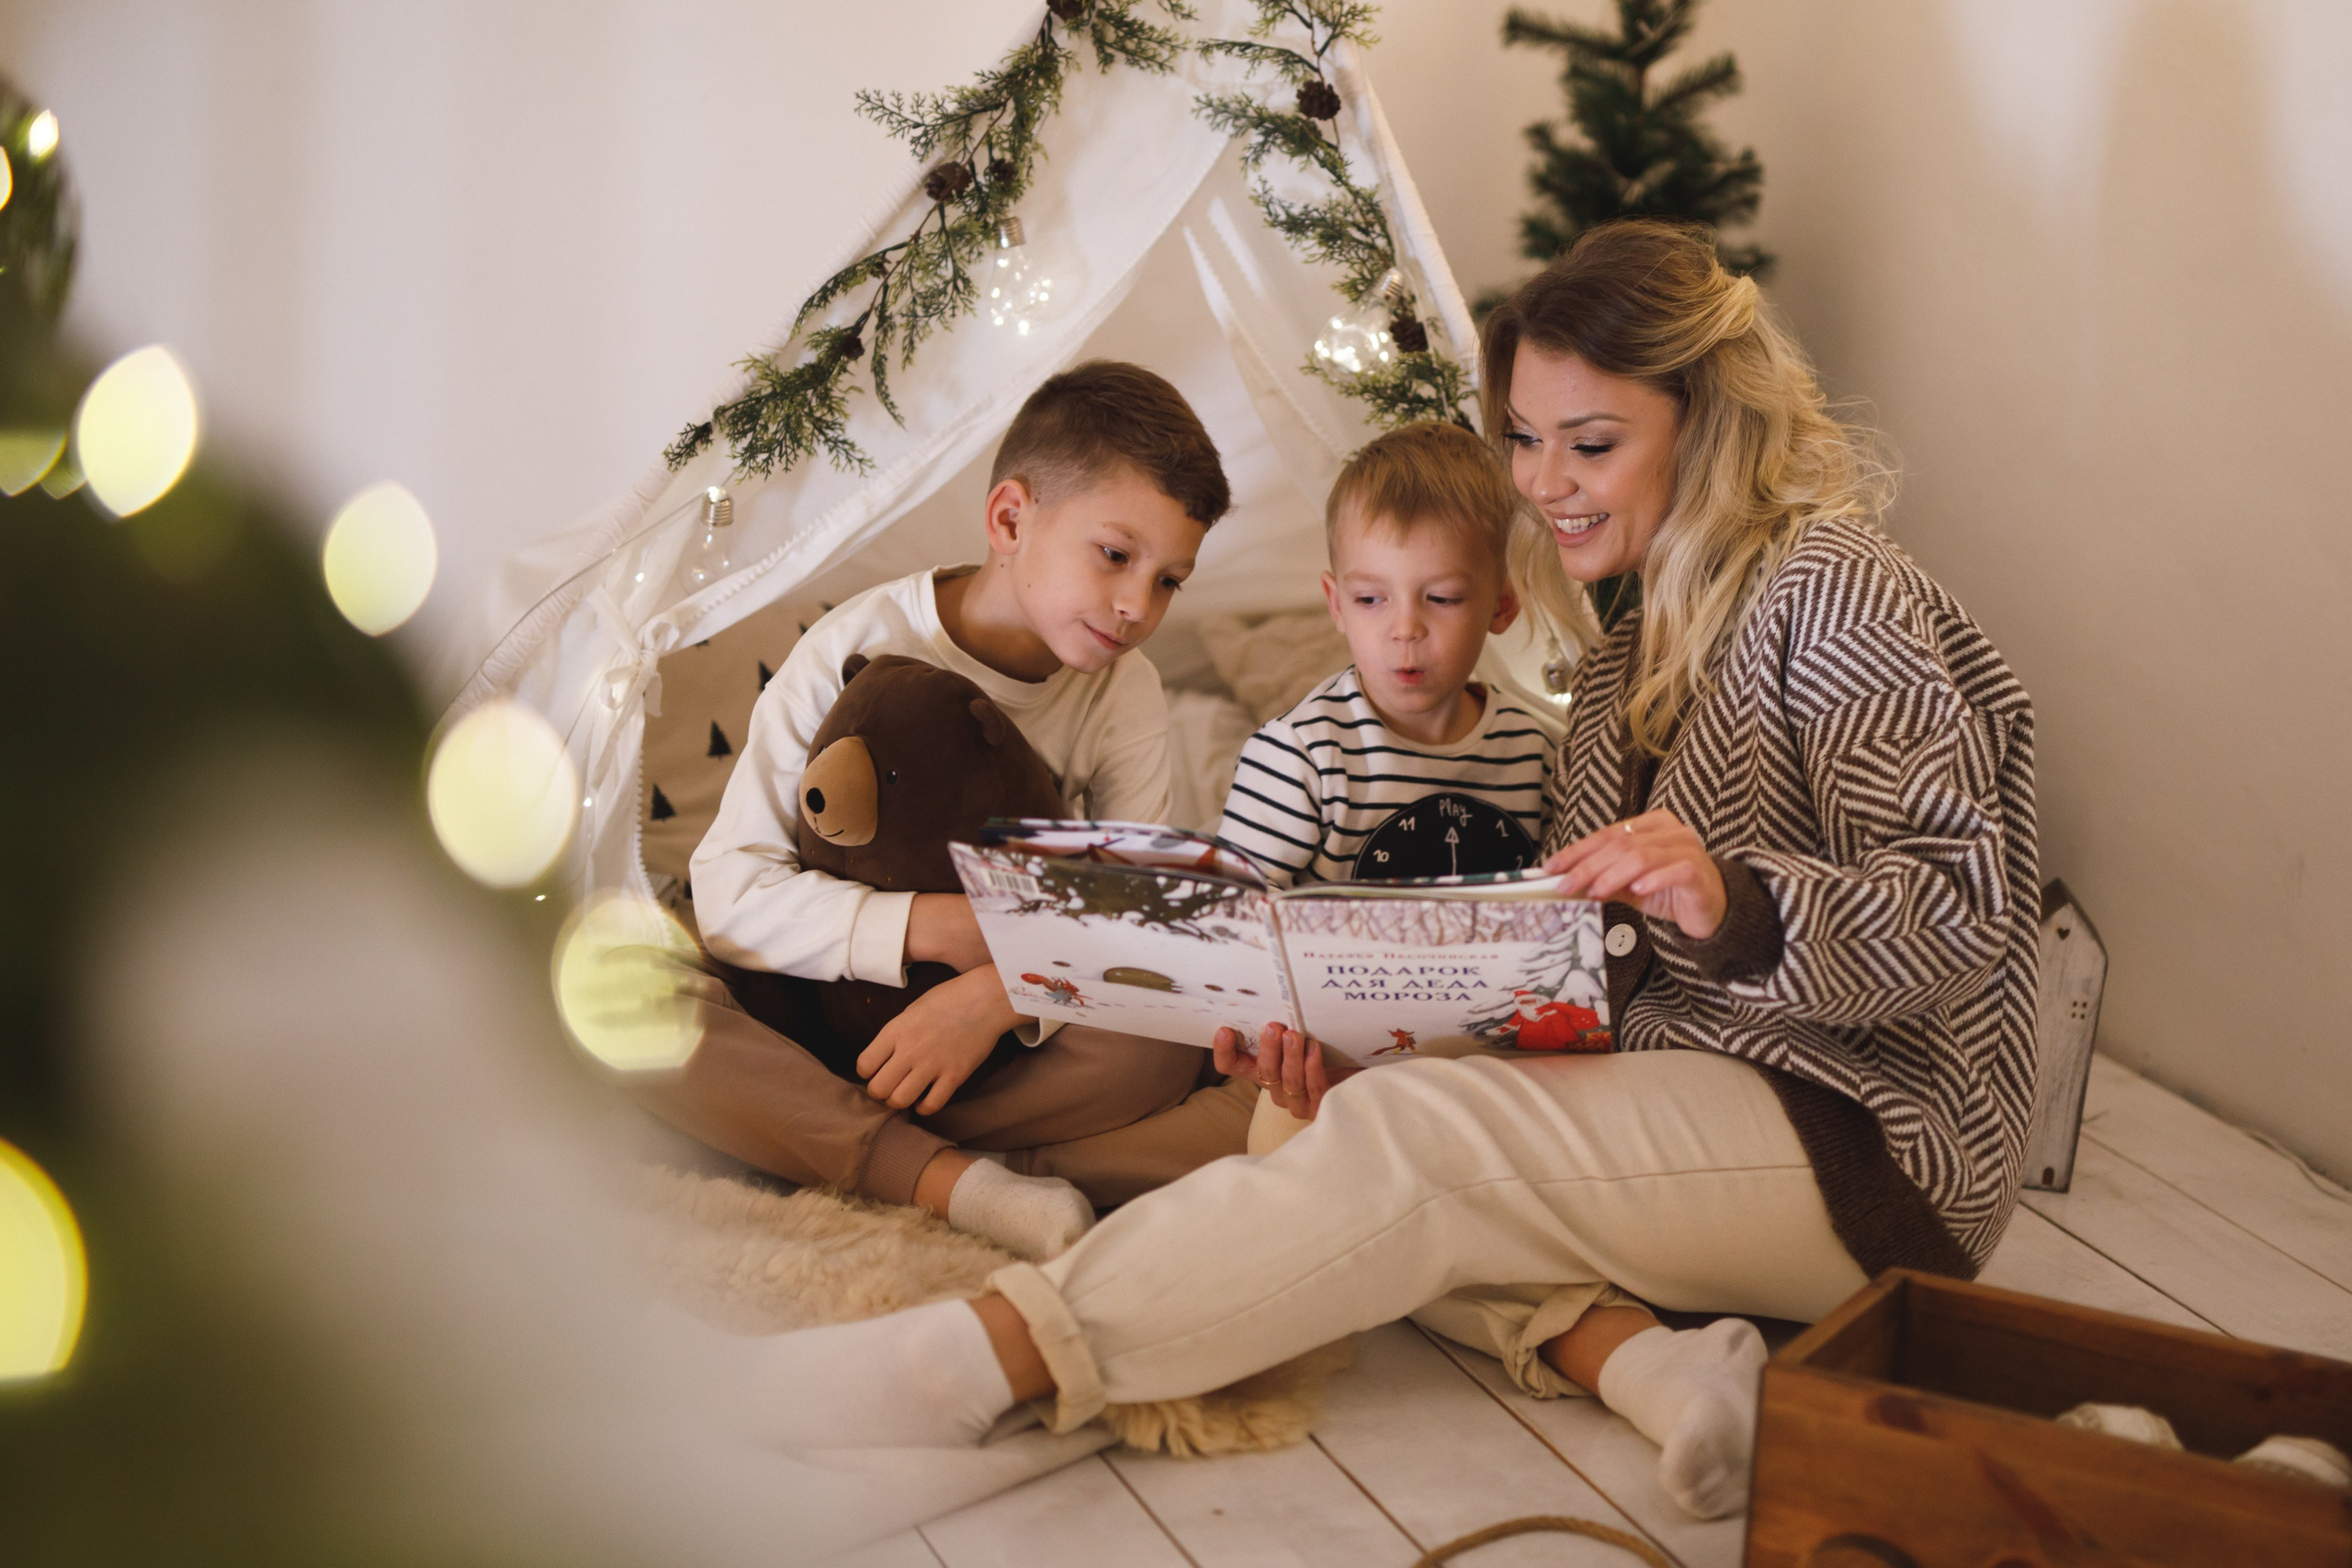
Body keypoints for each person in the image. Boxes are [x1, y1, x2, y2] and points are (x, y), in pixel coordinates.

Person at [725, 221, 2040, 1523]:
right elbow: (1590, 975)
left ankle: (956, 1363)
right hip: (1696, 1095)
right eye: (1527, 441)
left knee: (1419, 1142)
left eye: (1592, 444)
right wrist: (1378, 1036)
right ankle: (1660, 1366)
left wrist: (1733, 898)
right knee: (1347, 1117)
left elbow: (1966, 911)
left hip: (1867, 1136)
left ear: (1710, 428)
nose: (1548, 482)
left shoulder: (1837, 590)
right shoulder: (1626, 654)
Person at [639, 360, 1257, 1261]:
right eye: (1116, 555)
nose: (1137, 606)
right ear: (1010, 518)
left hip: (991, 1055)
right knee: (623, 998)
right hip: (809, 1012)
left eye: (1170, 581)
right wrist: (941, 929)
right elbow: (729, 895)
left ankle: (852, 1150)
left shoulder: (1127, 692)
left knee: (1165, 1031)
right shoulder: (857, 643)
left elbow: (1129, 920)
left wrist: (994, 996)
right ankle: (955, 1178)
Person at [1212, 419, 1564, 1153]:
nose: (1405, 629)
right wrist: (1270, 1040)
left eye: (1440, 598)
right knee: (1293, 1182)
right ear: (1336, 604)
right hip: (1329, 1072)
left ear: (1501, 605)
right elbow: (1228, 928)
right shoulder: (1300, 755)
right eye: (1373, 600)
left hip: (1487, 1062)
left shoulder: (1538, 751)